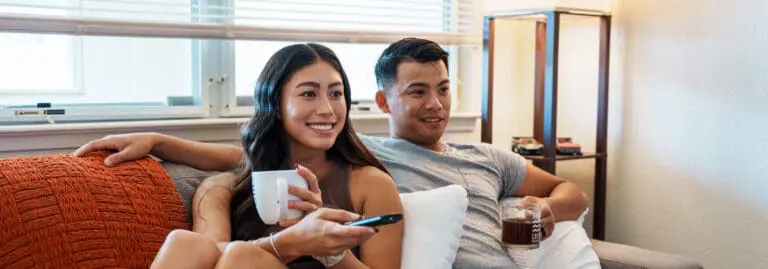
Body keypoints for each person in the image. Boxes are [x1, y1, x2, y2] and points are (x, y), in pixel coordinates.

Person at [74, 38, 599, 269]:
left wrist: (542, 214)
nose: (436, 104)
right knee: (195, 244)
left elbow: (567, 191)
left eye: (443, 88)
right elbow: (238, 156)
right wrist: (159, 143)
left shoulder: (486, 157)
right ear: (383, 101)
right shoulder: (379, 154)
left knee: (239, 254)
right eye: (417, 91)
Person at [149, 43, 404, 268]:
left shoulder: (371, 184)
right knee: (185, 243)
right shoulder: (223, 188)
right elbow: (207, 257)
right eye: (308, 94)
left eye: (336, 94)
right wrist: (289, 243)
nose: (327, 109)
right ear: (276, 106)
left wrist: (333, 253)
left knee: (243, 257)